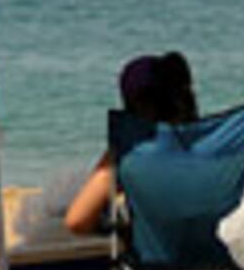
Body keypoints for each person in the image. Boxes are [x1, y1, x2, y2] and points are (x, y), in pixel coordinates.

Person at [63, 50, 200, 236]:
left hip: (155, 260)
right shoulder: (220, 140)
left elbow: (77, 221)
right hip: (219, 258)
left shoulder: (129, 152)